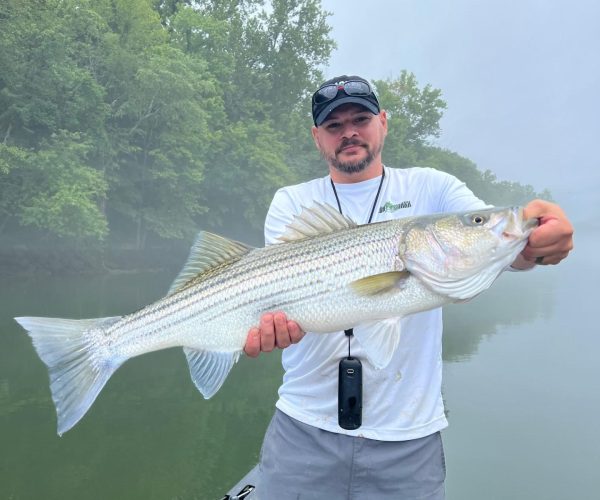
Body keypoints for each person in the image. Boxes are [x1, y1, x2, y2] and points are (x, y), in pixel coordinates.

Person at [243, 75, 574, 499]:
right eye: (333, 125)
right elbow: (277, 302)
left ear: (383, 122)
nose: (348, 132)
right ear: (316, 137)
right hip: (304, 429)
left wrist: (535, 247)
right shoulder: (292, 201)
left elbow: (498, 249)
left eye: (361, 119)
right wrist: (269, 328)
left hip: (408, 440)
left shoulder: (432, 187)